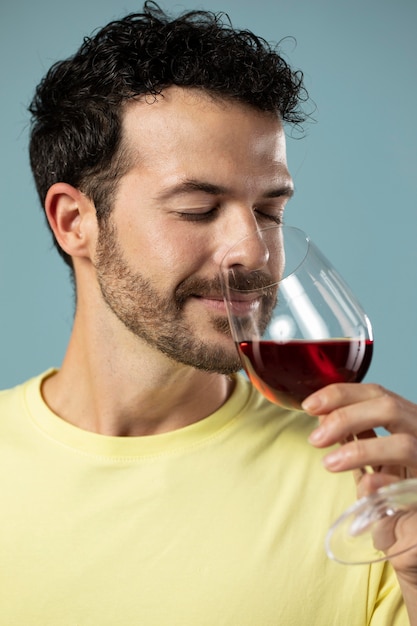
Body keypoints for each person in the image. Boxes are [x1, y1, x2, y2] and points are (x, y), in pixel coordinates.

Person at [1, 2, 416, 623]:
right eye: (198, 208)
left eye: (270, 211)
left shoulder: (370, 489)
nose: (252, 249)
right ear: (74, 222)